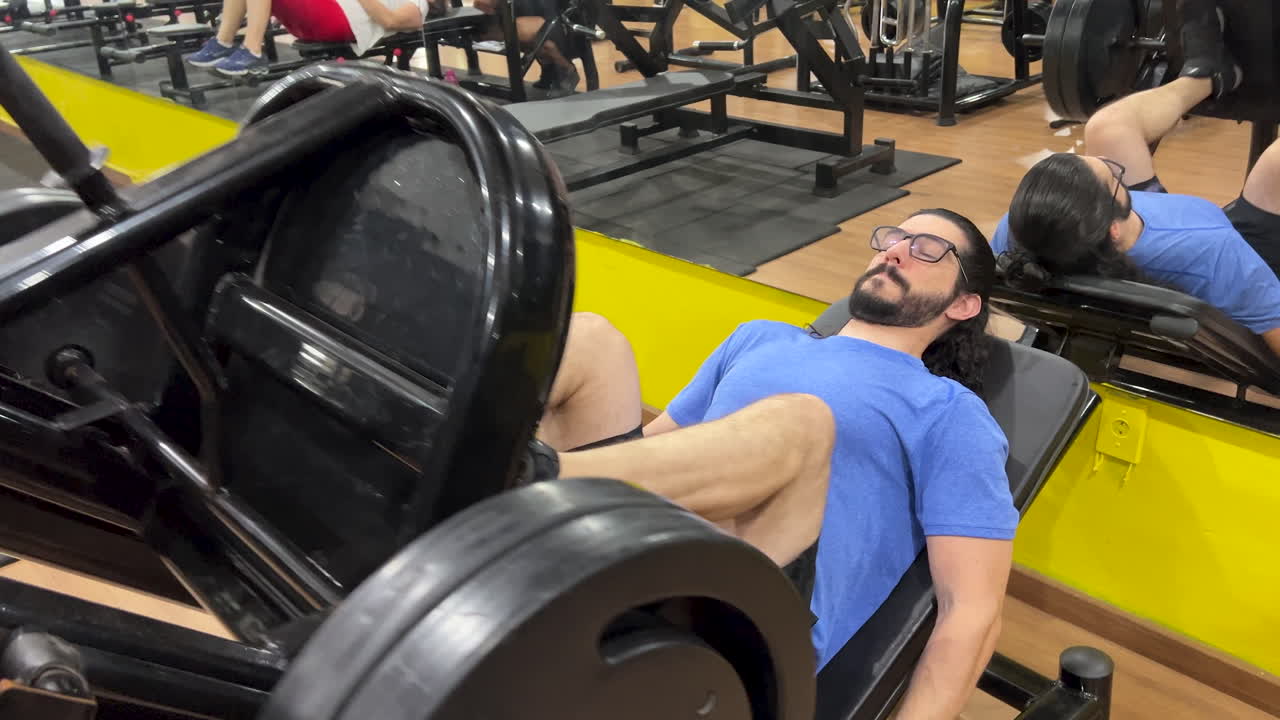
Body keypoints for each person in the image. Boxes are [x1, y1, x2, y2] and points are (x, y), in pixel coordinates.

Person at [530, 209, 1018, 720]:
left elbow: (973, 611)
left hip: (739, 625)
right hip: (638, 553)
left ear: (963, 305)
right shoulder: (761, 337)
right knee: (591, 339)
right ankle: (517, 484)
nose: (895, 249)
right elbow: (653, 452)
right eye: (896, 237)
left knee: (801, 423)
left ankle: (527, 486)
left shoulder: (948, 412)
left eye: (926, 250)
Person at [992, 0, 1280, 357]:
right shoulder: (1210, 248)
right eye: (1114, 175)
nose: (1111, 164)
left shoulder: (1017, 234)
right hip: (1241, 268)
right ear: (1114, 228)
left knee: (1107, 128)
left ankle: (1206, 75)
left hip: (1146, 263)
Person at [185, 0, 442, 76]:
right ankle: (223, 42)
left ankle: (252, 50)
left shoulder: (419, 5)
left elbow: (390, 21)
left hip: (337, 22)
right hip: (326, 14)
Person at [472, 0, 580, 96]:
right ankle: (552, 70)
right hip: (529, 17)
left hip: (555, 20)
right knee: (492, 20)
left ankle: (565, 70)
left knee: (534, 37)